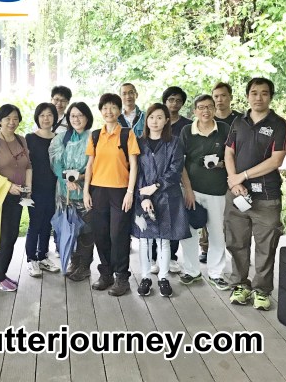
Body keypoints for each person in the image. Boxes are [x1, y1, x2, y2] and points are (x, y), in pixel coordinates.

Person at [224, 77, 286, 311]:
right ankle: (240, 285)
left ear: (270, 96)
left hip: (266, 197)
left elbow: (276, 160)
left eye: (264, 93)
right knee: (236, 242)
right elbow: (228, 152)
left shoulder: (279, 124)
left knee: (266, 246)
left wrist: (242, 176)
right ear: (247, 96)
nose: (258, 97)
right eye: (254, 93)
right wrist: (234, 181)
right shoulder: (238, 122)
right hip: (237, 195)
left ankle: (262, 290)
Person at [83, 93, 140, 297]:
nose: (109, 111)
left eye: (113, 107)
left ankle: (122, 278)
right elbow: (90, 165)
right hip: (98, 191)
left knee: (118, 235)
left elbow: (134, 165)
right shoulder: (95, 135)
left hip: (120, 191)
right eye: (105, 108)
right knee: (101, 234)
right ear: (101, 111)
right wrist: (86, 191)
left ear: (119, 110)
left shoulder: (126, 134)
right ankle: (105, 274)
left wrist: (130, 192)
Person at [134, 103, 189, 297]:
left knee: (164, 239)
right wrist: (144, 196)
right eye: (151, 117)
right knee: (144, 240)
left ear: (166, 120)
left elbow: (175, 170)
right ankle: (146, 277)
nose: (155, 121)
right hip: (143, 198)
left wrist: (156, 186)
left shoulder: (174, 142)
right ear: (146, 120)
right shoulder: (139, 143)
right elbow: (136, 172)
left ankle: (163, 278)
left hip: (167, 197)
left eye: (159, 117)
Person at [179, 95, 230, 290]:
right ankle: (192, 271)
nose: (205, 111)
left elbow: (232, 156)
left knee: (217, 233)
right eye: (201, 107)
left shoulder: (224, 129)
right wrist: (188, 190)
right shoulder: (187, 131)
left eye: (209, 107)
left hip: (217, 190)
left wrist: (221, 164)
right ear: (195, 111)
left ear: (215, 109)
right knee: (190, 231)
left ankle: (216, 273)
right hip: (192, 190)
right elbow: (180, 163)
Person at [0, 104, 32, 291]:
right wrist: (8, 186)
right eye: (8, 118)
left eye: (15, 118)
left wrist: (28, 188)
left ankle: (0, 274)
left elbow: (28, 165)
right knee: (1, 236)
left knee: (11, 236)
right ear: (0, 120)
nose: (12, 122)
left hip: (17, 196)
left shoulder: (21, 139)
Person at [49, 102, 95, 281]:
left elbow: (96, 164)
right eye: (73, 116)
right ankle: (74, 262)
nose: (76, 119)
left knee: (87, 230)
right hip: (65, 192)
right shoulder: (61, 138)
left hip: (87, 191)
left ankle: (85, 266)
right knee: (69, 228)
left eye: (80, 115)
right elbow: (56, 163)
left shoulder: (93, 138)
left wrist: (80, 177)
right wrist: (67, 180)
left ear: (87, 117)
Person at [197, 82, 242, 263]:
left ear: (230, 97)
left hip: (234, 175)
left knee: (233, 216)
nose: (220, 99)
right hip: (209, 176)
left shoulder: (240, 120)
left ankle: (236, 251)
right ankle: (205, 247)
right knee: (208, 215)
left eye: (223, 95)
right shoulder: (207, 119)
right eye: (216, 96)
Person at [25, 103, 61, 276]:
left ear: (55, 117)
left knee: (48, 223)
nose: (46, 119)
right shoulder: (30, 138)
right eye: (42, 115)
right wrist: (27, 188)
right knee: (35, 223)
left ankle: (43, 256)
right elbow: (26, 165)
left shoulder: (59, 138)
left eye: (49, 115)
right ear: (37, 118)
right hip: (35, 188)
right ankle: (31, 259)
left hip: (54, 188)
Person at [161, 86, 193, 273]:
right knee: (157, 217)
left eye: (178, 100)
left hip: (180, 175)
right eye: (171, 99)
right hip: (157, 177)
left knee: (174, 217)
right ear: (165, 101)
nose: (174, 103)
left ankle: (172, 256)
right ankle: (155, 257)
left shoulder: (187, 125)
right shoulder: (158, 121)